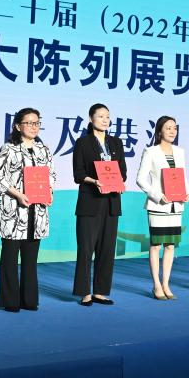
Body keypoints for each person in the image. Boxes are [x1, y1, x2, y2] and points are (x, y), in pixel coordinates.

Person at [0, 108, 56, 312]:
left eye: (37, 123)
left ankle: (29, 299)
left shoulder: (43, 149)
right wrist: (18, 194)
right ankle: (10, 300)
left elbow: (51, 175)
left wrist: (49, 191)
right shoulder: (9, 148)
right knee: (10, 258)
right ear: (18, 126)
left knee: (30, 259)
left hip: (37, 211)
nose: (34, 127)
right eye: (29, 123)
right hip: (14, 210)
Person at [72, 103, 128, 307]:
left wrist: (119, 183)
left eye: (107, 117)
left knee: (107, 249)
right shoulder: (83, 142)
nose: (105, 120)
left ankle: (100, 291)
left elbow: (122, 171)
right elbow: (78, 174)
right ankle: (84, 292)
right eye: (100, 116)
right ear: (91, 118)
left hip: (111, 202)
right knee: (86, 249)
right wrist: (95, 181)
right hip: (90, 201)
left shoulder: (116, 143)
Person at [136, 115, 188, 300]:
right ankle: (156, 285)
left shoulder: (180, 152)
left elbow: (182, 176)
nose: (172, 131)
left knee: (171, 246)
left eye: (175, 128)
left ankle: (166, 284)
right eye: (168, 128)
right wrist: (158, 195)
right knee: (156, 245)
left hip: (176, 205)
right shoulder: (151, 151)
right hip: (158, 205)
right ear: (159, 131)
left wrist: (186, 193)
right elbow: (140, 179)